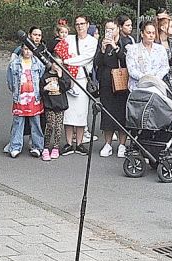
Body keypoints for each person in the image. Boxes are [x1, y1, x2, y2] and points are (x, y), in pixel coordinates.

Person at [55, 15, 98, 155]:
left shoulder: (92, 41)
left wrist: (67, 61)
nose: (80, 26)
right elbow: (60, 51)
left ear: (87, 24)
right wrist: (65, 61)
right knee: (68, 112)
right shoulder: (69, 38)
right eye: (77, 24)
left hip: (82, 79)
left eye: (82, 23)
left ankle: (79, 143)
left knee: (81, 113)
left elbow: (85, 58)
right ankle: (68, 142)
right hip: (68, 79)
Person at [93, 19, 130, 158]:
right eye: (107, 29)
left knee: (121, 113)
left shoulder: (125, 42)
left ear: (118, 29)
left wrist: (115, 47)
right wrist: (102, 49)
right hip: (106, 82)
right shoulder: (102, 43)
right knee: (107, 113)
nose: (109, 32)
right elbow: (96, 62)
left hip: (121, 82)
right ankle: (107, 143)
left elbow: (127, 60)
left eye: (112, 29)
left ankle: (122, 144)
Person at [5, 45, 46, 158]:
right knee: (18, 122)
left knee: (36, 122)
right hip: (20, 98)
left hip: (34, 98)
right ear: (22, 49)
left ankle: (37, 146)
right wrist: (16, 92)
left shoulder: (38, 63)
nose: (28, 52)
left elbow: (42, 78)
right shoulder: (14, 64)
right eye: (25, 49)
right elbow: (10, 81)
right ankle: (15, 146)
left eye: (30, 49)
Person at [40, 62, 72, 161]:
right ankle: (45, 147)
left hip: (60, 104)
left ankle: (56, 147)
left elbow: (66, 87)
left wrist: (60, 75)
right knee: (50, 125)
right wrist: (45, 88)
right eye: (55, 64)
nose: (57, 66)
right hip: (49, 105)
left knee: (58, 126)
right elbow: (40, 90)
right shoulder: (45, 76)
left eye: (60, 64)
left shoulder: (63, 74)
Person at [125, 21, 170, 90]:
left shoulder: (160, 49)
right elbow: (132, 70)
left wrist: (156, 78)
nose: (151, 35)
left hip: (157, 86)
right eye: (148, 33)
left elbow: (165, 67)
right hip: (138, 88)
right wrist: (146, 79)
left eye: (153, 33)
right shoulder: (133, 49)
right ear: (142, 34)